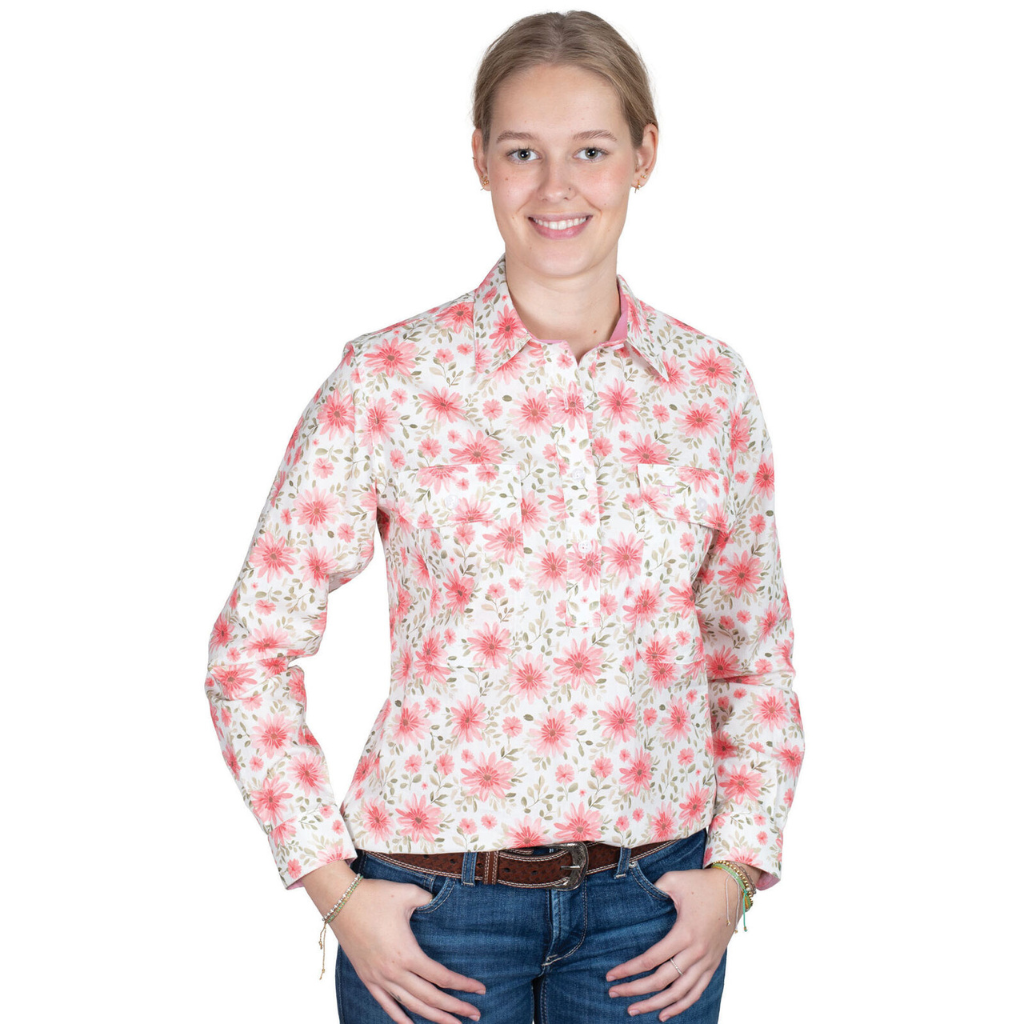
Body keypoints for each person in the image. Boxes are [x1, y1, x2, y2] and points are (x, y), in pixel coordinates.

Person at [204, 11, 805, 1024]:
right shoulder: (388, 380)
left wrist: (737, 872)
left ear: (645, 156)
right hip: (434, 915)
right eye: (523, 152)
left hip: (651, 912)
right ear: (480, 158)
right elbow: (249, 652)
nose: (556, 187)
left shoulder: (709, 388)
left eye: (591, 151)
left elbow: (751, 657)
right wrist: (333, 889)